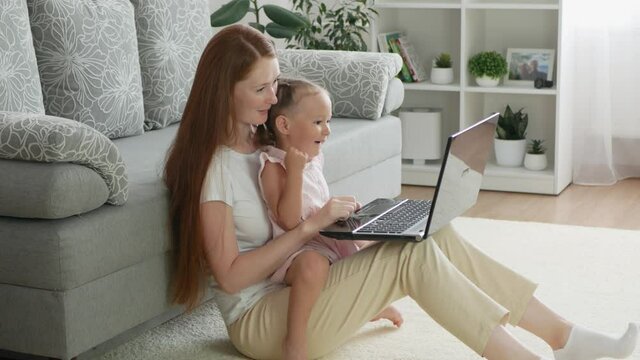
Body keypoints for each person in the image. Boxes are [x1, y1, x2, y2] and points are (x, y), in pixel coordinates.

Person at [163, 24, 638, 360]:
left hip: (306, 290)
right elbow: (229, 278)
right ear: (225, 92)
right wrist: (311, 225)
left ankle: (563, 337)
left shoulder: (262, 141)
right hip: (263, 321)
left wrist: (342, 225)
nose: (274, 98)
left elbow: (297, 196)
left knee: (430, 231)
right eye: (262, 89)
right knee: (410, 257)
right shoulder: (216, 169)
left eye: (274, 84)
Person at [254, 78, 402, 359]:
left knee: (379, 249)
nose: (328, 130)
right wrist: (294, 172)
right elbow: (288, 221)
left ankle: (370, 306)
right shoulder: (273, 167)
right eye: (318, 122)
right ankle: (295, 341)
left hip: (328, 239)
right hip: (297, 252)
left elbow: (318, 204)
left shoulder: (314, 159)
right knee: (313, 267)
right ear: (284, 126)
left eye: (328, 121)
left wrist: (347, 211)